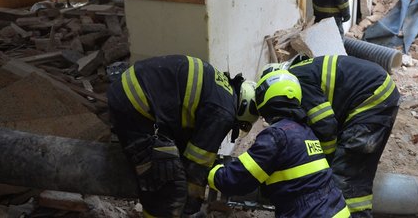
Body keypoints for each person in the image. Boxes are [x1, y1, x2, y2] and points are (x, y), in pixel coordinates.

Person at [107, 55, 258, 217]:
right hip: (135, 106)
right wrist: (192, 207)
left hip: (132, 95)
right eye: (238, 125)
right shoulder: (222, 113)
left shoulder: (222, 91)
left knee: (169, 168)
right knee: (167, 181)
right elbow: (196, 166)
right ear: (243, 109)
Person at [262, 55, 400, 217]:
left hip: (370, 97)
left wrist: (323, 162)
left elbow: (325, 125)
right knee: (353, 170)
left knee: (346, 176)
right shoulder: (303, 73)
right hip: (375, 94)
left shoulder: (297, 80)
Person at [208, 69, 350, 217]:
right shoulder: (306, 132)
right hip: (338, 211)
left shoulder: (276, 136)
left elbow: (236, 180)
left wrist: (210, 172)